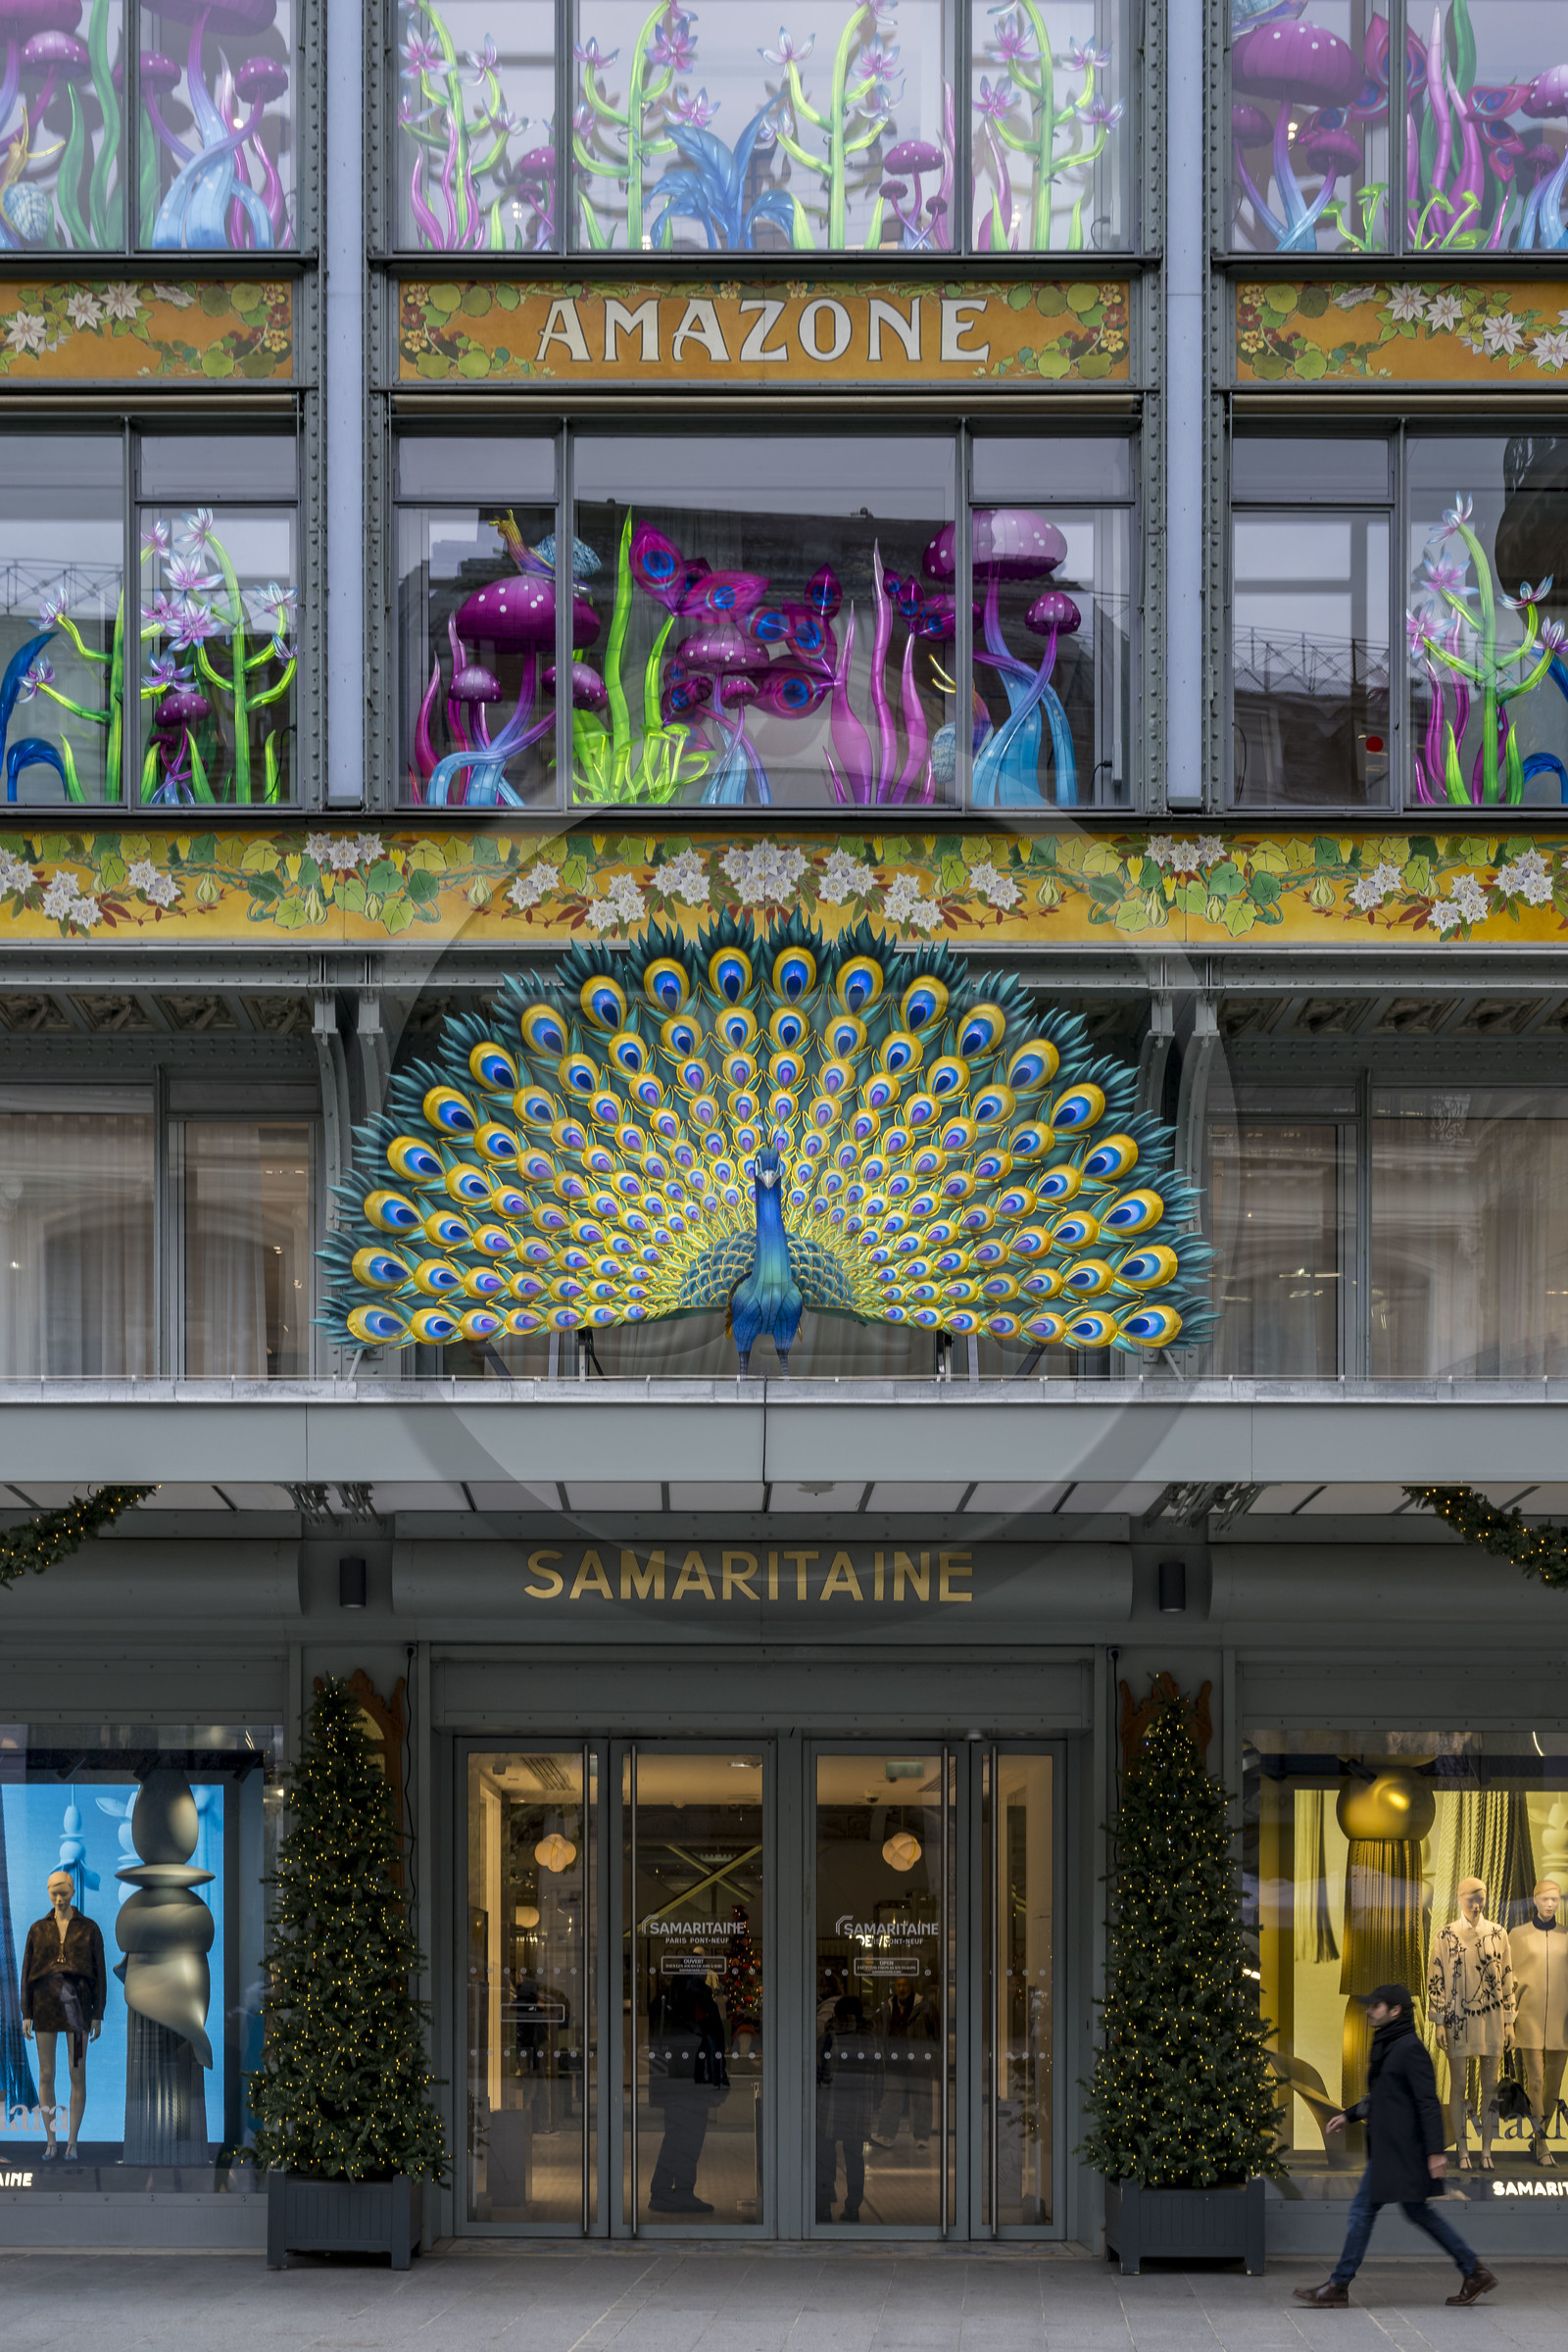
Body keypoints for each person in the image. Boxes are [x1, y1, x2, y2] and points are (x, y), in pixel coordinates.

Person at [1293, 1984, 1498, 2309]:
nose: (1369, 2010)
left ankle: (1339, 2285)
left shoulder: (1410, 2049)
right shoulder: (1391, 2046)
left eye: (1376, 2006)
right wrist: (1348, 2116)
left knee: (1363, 2209)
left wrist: (1435, 2153)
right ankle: (1474, 2271)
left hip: (1402, 2152)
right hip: (1394, 2151)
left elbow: (1428, 2103)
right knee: (1417, 2211)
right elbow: (1385, 2097)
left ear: (1395, 2011)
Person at [21, 1869, 106, 2163]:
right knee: (46, 2074)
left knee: (76, 2073)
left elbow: (100, 1974)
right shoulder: (37, 1929)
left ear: (72, 1891)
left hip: (79, 2013)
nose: (58, 1898)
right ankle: (51, 2140)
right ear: (48, 1892)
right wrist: (26, 2013)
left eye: (64, 1892)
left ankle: (72, 2141)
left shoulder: (90, 1929)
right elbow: (26, 1973)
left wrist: (99, 2013)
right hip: (44, 2008)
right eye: (53, 1893)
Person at [644, 1966, 728, 2215]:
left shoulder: (662, 2001)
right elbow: (713, 2042)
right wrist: (719, 2080)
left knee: (676, 2134)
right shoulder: (699, 2001)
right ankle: (679, 2191)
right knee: (689, 2137)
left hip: (668, 2077)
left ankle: (665, 2190)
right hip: (694, 2079)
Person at [816, 1992, 880, 2223]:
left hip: (830, 2107)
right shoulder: (872, 2038)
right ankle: (853, 2207)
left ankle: (823, 2206)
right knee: (855, 2158)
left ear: (837, 2014)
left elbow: (818, 2072)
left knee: (825, 2156)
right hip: (860, 2108)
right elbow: (878, 2074)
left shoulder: (830, 2038)